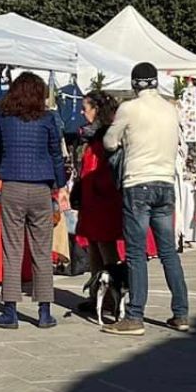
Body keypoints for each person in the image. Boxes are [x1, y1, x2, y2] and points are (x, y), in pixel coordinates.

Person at [101, 62, 191, 336]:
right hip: (165, 183)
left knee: (137, 254)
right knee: (168, 252)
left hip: (138, 183)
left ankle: (135, 316)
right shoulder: (171, 109)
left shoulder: (129, 108)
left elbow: (109, 142)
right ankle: (181, 313)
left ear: (134, 83)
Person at [0, 72, 67, 330]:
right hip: (41, 187)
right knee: (42, 250)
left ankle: (10, 310)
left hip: (13, 186)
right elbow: (56, 153)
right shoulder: (49, 119)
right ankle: (44, 311)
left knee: (12, 248)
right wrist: (61, 185)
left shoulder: (4, 119)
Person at [74, 92, 128, 322]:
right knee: (95, 249)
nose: (81, 112)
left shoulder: (107, 135)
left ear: (96, 109)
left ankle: (113, 297)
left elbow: (110, 169)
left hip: (103, 199)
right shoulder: (93, 135)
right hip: (93, 199)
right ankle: (98, 293)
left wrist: (96, 186)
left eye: (85, 107)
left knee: (106, 250)